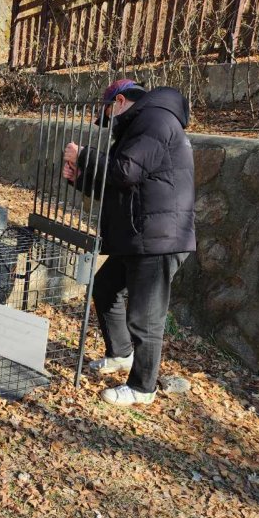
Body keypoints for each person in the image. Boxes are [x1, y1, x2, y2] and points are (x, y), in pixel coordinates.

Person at [62, 79, 196, 407]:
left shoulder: (155, 120)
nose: (108, 125)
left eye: (108, 115)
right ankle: (121, 353)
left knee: (145, 316)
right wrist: (82, 179)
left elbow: (124, 173)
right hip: (142, 233)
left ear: (120, 101)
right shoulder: (140, 124)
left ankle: (142, 387)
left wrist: (83, 155)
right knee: (106, 287)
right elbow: (121, 185)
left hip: (160, 237)